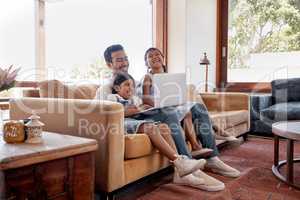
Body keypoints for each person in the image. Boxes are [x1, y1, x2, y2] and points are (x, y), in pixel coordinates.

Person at [95, 44, 221, 189]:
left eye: (125, 58)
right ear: (109, 64)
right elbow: (105, 113)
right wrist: (136, 109)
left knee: (170, 112)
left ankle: (193, 164)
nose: (124, 63)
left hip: (139, 115)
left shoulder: (132, 83)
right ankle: (188, 168)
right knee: (168, 114)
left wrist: (146, 106)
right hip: (127, 120)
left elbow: (140, 102)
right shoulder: (105, 89)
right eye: (119, 60)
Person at [139, 47, 241, 187]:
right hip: (159, 110)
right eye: (150, 56)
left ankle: (212, 158)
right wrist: (161, 102)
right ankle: (188, 165)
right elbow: (145, 99)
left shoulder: (170, 77)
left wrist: (178, 101)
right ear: (146, 63)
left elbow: (178, 96)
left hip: (174, 106)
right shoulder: (147, 77)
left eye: (158, 54)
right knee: (174, 111)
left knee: (198, 107)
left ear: (163, 58)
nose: (155, 57)